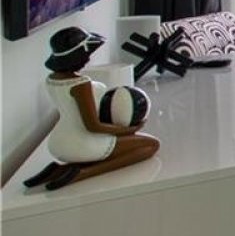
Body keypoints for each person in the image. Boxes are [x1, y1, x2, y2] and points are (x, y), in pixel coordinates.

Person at [23, 28, 159, 191]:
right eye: (87, 54)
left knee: (124, 145)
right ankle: (85, 172)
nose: (88, 58)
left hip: (58, 142)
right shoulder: (80, 84)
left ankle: (60, 169)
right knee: (151, 145)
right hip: (83, 142)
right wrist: (129, 130)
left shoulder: (51, 79)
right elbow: (92, 126)